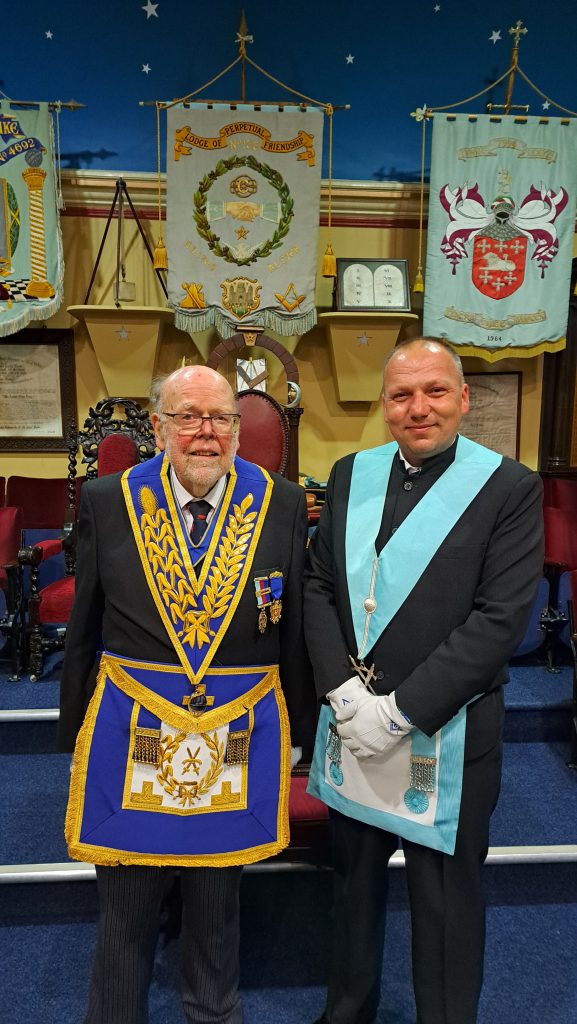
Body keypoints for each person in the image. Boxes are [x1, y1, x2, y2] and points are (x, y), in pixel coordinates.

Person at [58, 364, 312, 1024]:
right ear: (158, 426)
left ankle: (213, 1015)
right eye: (188, 417)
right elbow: (85, 622)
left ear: (238, 429)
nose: (206, 432)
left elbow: (292, 630)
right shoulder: (110, 499)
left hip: (236, 734)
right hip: (132, 727)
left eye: (221, 418)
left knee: (215, 910)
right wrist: (73, 728)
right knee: (127, 908)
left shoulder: (280, 502)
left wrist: (301, 733)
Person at [304, 337, 544, 1024]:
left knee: (444, 907)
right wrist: (342, 691)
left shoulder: (508, 488)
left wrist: (399, 711)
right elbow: (318, 586)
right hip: (351, 725)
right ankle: (347, 1013)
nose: (419, 408)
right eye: (402, 395)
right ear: (384, 406)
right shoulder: (350, 474)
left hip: (447, 732)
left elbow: (498, 621)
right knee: (351, 890)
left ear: (462, 399)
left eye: (435, 391)